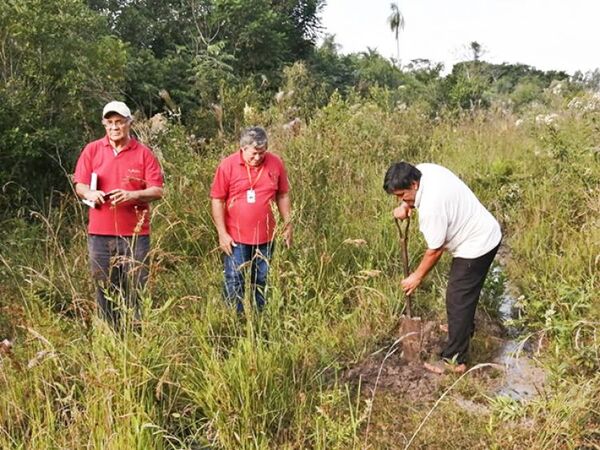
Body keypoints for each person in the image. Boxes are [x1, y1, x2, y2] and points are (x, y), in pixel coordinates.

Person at [383, 162, 501, 374]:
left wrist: (416, 277)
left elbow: (435, 251)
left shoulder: (431, 208)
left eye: (402, 195)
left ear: (414, 184)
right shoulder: (423, 170)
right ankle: (462, 328)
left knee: (457, 297)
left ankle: (455, 360)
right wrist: (406, 205)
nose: (400, 199)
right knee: (463, 293)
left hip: (478, 243)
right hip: (481, 229)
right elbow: (413, 198)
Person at [74, 101, 164, 330]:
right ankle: (110, 337)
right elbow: (80, 185)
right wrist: (91, 193)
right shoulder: (92, 150)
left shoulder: (144, 154)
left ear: (129, 123)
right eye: (110, 123)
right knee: (104, 289)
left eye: (120, 122)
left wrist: (131, 195)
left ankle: (137, 335)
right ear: (105, 124)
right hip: (100, 235)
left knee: (136, 288)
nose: (115, 127)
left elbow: (157, 190)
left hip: (135, 237)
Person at [210, 126, 292, 313]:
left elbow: (283, 195)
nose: (258, 158)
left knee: (263, 279)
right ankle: (234, 319)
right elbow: (217, 200)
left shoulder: (275, 163)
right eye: (254, 154)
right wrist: (222, 234)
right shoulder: (227, 165)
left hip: (267, 237)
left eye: (262, 153)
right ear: (243, 148)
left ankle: (260, 316)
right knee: (234, 280)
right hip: (236, 239)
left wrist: (288, 225)